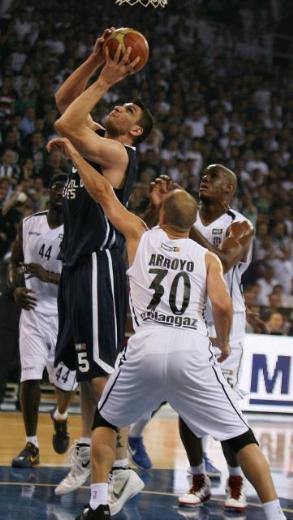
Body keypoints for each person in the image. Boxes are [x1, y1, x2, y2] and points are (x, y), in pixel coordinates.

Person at [47, 136, 287, 520]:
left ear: (161, 216)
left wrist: (74, 153)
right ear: (191, 221)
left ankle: (97, 502)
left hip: (144, 347)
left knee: (106, 423)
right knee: (241, 435)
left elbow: (103, 191)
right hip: (192, 347)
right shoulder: (205, 256)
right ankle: (274, 512)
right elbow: (223, 305)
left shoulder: (141, 235)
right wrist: (222, 342)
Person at [50, 28, 154, 510]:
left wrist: (108, 79)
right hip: (75, 260)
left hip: (96, 261)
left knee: (100, 374)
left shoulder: (116, 152)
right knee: (84, 370)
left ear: (134, 132)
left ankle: (124, 464)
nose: (118, 107)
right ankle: (95, 453)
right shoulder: (96, 137)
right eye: (120, 102)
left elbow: (67, 123)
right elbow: (63, 100)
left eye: (128, 110)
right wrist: (95, 60)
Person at [9, 173, 76, 467]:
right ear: (50, 191)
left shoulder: (79, 229)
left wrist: (49, 275)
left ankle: (60, 416)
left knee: (64, 386)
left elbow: (82, 278)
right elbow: (13, 261)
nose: (62, 191)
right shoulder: (29, 223)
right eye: (58, 186)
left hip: (64, 314)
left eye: (68, 189)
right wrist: (14, 289)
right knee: (30, 376)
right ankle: (31, 444)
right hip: (33, 311)